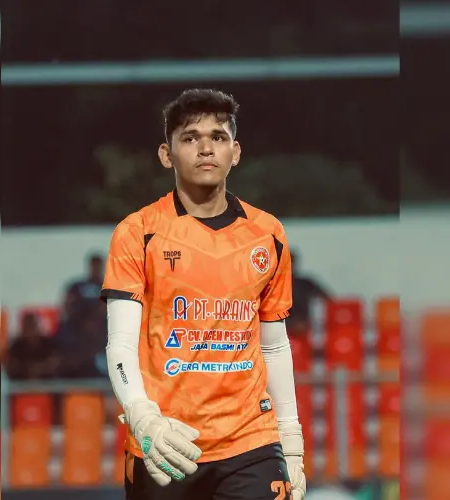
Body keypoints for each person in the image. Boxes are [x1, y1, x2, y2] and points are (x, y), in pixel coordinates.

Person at [101, 89, 306, 500]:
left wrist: (291, 440)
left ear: (236, 152)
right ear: (167, 154)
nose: (206, 147)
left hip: (251, 441)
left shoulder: (268, 234)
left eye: (218, 136)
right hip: (167, 442)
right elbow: (120, 344)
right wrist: (142, 417)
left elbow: (274, 347)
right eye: (191, 137)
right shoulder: (137, 232)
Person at [287, 250, 331, 337]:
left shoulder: (305, 283)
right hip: (280, 325)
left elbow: (328, 298)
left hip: (303, 323)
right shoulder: (272, 284)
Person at [5, 312, 60, 380]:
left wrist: (40, 369)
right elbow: (11, 367)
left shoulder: (50, 344)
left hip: (47, 383)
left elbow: (55, 363)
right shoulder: (16, 347)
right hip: (21, 384)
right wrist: (28, 371)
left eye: (33, 325)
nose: (31, 330)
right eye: (28, 326)